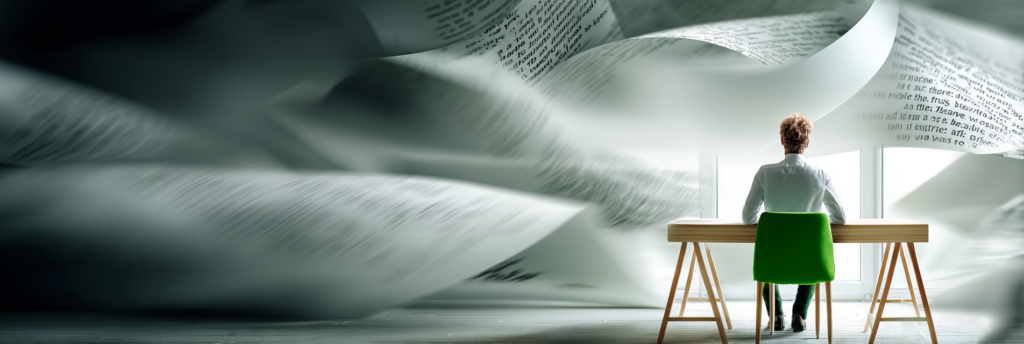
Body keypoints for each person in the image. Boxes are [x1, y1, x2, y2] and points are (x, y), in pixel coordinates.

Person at [741, 113, 846, 332]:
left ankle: (776, 315)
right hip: (809, 260)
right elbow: (840, 218)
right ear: (807, 143)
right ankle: (799, 313)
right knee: (813, 256)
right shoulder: (821, 174)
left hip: (773, 258)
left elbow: (748, 218)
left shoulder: (765, 173)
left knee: (766, 255)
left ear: (782, 141)